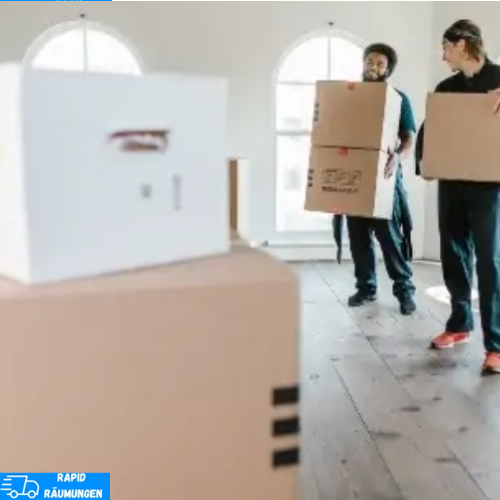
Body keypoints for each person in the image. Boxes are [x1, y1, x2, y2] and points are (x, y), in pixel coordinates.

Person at [415, 19, 500, 375]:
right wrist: (425, 163)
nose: (444, 54)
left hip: (489, 187)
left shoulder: (499, 78)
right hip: (452, 183)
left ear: (463, 45)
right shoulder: (446, 88)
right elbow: (430, 129)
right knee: (453, 255)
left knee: (489, 261)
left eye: (447, 47)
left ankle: (495, 345)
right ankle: (460, 324)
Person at [344, 43, 417, 316]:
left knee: (389, 237)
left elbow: (409, 139)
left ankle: (405, 291)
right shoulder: (349, 95)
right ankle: (366, 288)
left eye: (380, 64)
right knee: (358, 237)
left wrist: (398, 156)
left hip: (384, 177)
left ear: (388, 70)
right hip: (354, 175)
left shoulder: (398, 99)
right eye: (370, 61)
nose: (373, 67)